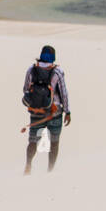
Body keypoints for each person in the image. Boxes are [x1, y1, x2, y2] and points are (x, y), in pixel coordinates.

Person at [22, 45, 71, 174]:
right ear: (53, 57)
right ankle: (50, 170)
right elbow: (63, 93)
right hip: (54, 112)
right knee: (54, 143)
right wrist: (67, 111)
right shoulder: (58, 72)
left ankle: (28, 165)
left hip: (36, 112)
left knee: (33, 141)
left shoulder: (31, 70)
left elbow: (25, 90)